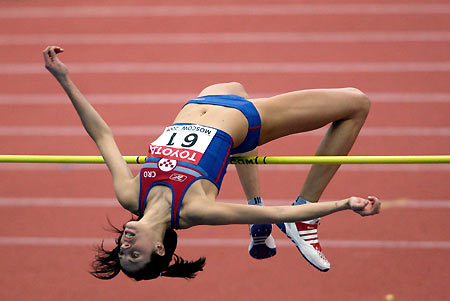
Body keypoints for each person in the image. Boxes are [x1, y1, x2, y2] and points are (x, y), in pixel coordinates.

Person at [43, 46, 380, 281]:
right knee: (356, 103)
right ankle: (309, 210)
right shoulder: (193, 211)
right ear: (160, 248)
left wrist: (64, 80)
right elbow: (279, 214)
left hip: (204, 100)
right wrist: (344, 204)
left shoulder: (131, 195)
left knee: (236, 85)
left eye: (121, 251)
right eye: (134, 255)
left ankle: (255, 202)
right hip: (245, 121)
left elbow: (102, 137)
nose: (125, 246)